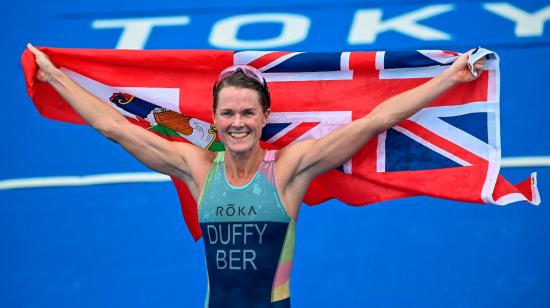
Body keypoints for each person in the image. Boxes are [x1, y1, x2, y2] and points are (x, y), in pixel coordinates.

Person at [27, 43, 485, 307]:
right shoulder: (196, 167)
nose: (237, 122)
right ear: (214, 117)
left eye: (248, 112)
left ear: (265, 116)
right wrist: (56, 76)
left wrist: (449, 77)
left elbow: (374, 121)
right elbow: (113, 126)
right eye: (227, 113)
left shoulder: (289, 169)